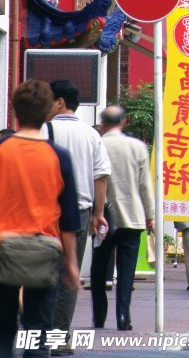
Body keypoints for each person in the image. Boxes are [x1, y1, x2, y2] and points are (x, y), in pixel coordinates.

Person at [0, 80, 81, 358]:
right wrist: (71, 263)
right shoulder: (58, 156)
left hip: (3, 249)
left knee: (2, 328)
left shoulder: (2, 151)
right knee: (38, 330)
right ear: (48, 113)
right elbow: (69, 216)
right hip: (44, 250)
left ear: (15, 111)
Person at [45, 80, 111, 353]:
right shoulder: (91, 134)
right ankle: (60, 337)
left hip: (46, 212)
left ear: (60, 101)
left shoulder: (43, 130)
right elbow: (100, 177)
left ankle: (39, 331)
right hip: (81, 212)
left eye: (49, 99)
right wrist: (98, 214)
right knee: (70, 274)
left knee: (43, 272)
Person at [91, 106, 154, 330]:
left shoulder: (97, 143)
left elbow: (94, 179)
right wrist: (150, 215)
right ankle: (123, 316)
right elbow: (145, 184)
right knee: (127, 270)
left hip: (103, 215)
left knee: (99, 267)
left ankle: (98, 316)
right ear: (124, 121)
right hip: (132, 216)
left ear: (102, 122)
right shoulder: (137, 146)